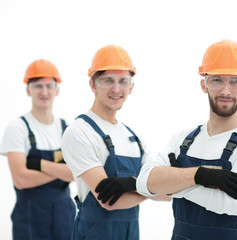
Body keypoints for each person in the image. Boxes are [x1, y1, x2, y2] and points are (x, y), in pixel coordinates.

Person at [136, 39, 237, 240]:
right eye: (217, 79)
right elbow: (143, 182)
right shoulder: (182, 139)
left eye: (235, 81)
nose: (226, 90)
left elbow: (233, 204)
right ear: (204, 84)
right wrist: (200, 176)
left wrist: (175, 183)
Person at [61, 44, 170, 240]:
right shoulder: (79, 132)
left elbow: (167, 195)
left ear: (131, 86)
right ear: (93, 84)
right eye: (108, 80)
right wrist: (148, 187)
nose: (116, 89)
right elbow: (109, 200)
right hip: (94, 234)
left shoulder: (134, 138)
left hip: (131, 233)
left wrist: (130, 184)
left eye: (123, 81)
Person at [0, 59, 76, 240]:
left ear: (57, 90)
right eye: (38, 86)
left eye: (49, 86)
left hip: (65, 215)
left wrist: (40, 164)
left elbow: (78, 174)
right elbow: (21, 179)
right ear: (28, 89)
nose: (44, 92)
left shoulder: (68, 129)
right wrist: (63, 170)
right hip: (30, 216)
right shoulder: (17, 127)